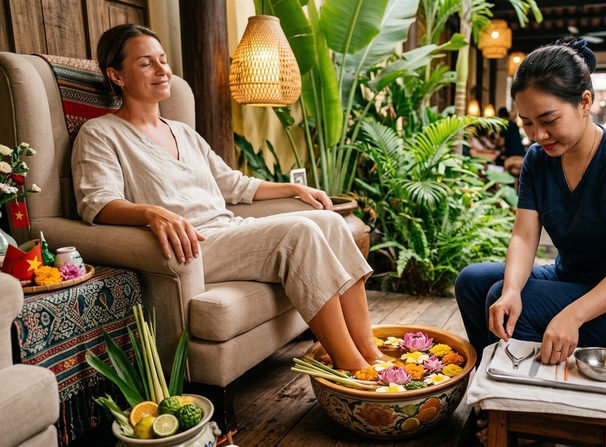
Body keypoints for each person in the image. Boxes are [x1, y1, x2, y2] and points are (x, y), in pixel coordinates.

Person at [71, 24, 386, 371]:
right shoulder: (101, 133)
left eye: (163, 60)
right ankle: (353, 367)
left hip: (230, 229)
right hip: (193, 245)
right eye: (146, 63)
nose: (163, 71)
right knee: (300, 233)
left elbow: (232, 184)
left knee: (329, 221)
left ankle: (371, 351)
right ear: (116, 75)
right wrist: (151, 213)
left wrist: (293, 189)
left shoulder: (184, 133)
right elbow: (96, 204)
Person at [454, 40, 606, 374]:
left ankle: (516, 412)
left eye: (549, 119)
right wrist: (513, 290)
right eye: (527, 123)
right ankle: (493, 388)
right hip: (571, 278)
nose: (538, 134)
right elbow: (525, 237)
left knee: (517, 307)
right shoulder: (538, 159)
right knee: (474, 282)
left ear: (585, 102)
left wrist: (573, 314)